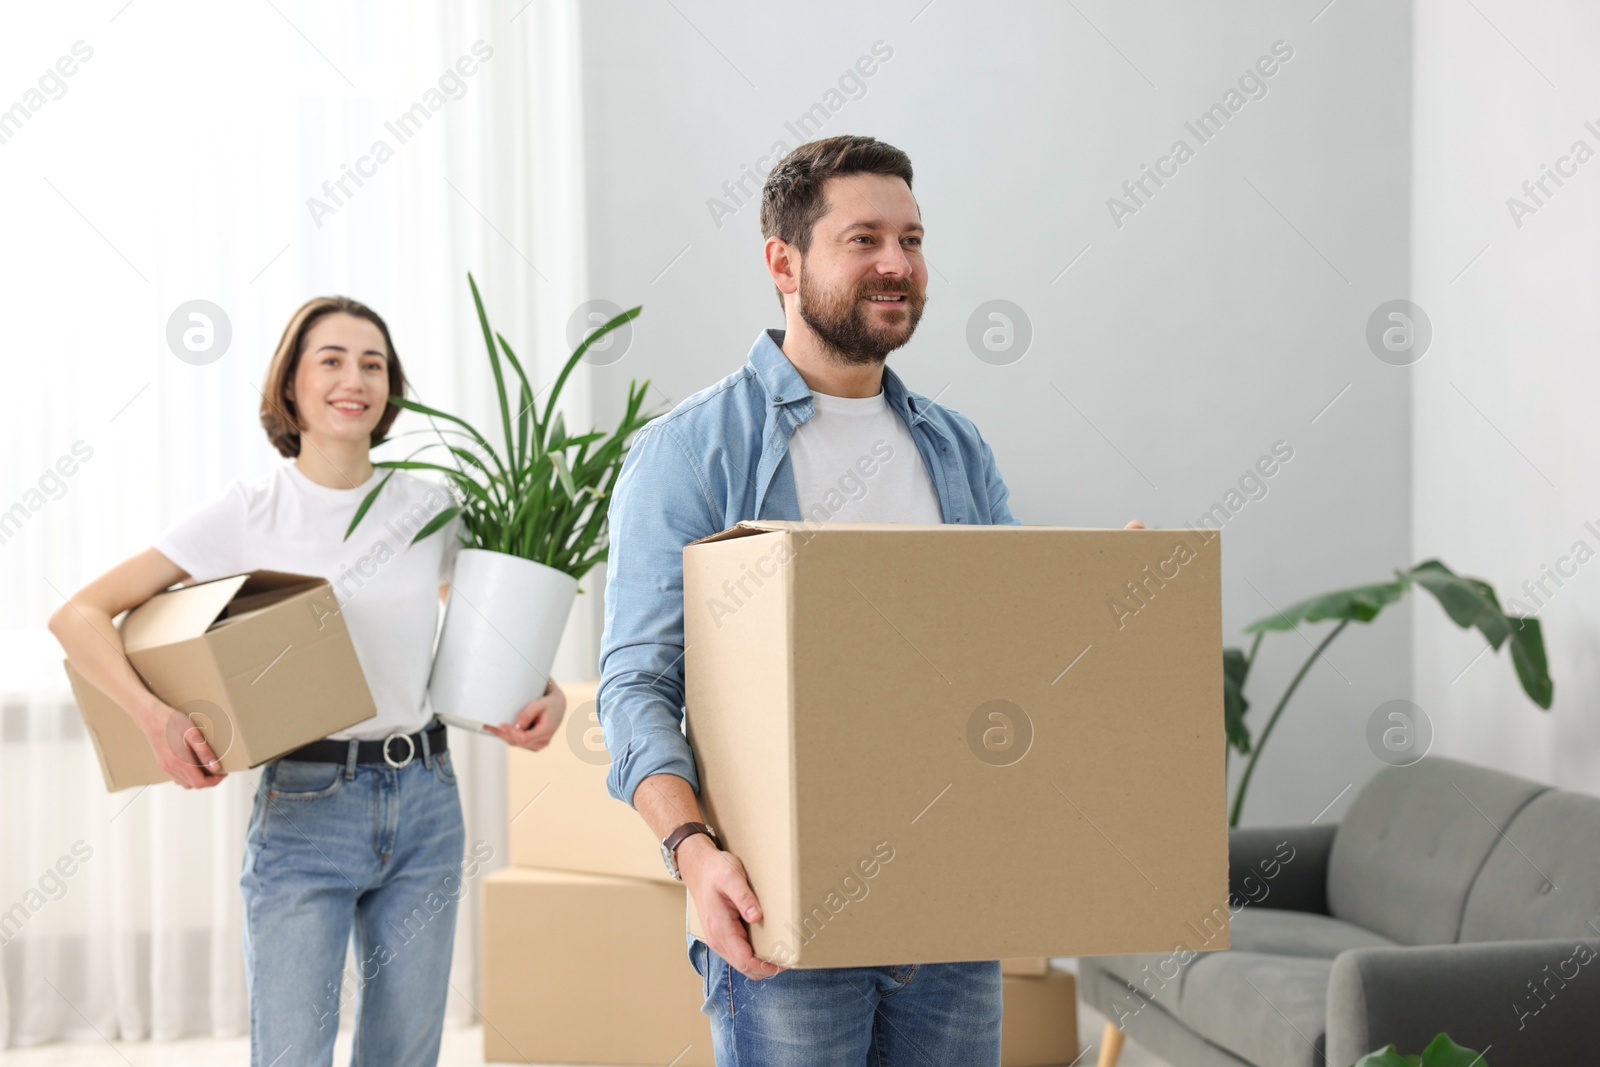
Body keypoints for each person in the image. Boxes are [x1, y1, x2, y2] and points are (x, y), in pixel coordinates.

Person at [599, 134, 1140, 1064]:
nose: (898, 263)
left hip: (954, 909)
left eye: (913, 238)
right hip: (787, 913)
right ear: (783, 261)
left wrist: (1096, 606)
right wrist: (693, 850)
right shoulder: (689, 451)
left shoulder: (954, 448)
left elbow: (1008, 650)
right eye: (864, 239)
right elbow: (635, 682)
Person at [49, 295, 565, 1067]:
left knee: (404, 1053)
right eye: (331, 359)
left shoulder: (428, 508)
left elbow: (490, 634)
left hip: (426, 798)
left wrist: (543, 693)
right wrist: (155, 718)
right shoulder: (250, 510)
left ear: (391, 388)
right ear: (290, 384)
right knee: (291, 1053)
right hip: (304, 809)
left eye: (373, 363)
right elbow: (80, 614)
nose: (354, 378)